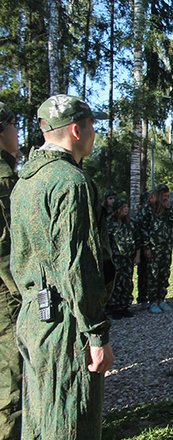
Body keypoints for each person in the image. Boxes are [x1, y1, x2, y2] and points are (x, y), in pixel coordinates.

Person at [10, 94, 114, 439]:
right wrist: (96, 335)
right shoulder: (71, 183)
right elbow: (77, 265)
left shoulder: (25, 182)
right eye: (92, 126)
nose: (94, 134)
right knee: (72, 423)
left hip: (32, 319)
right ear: (76, 130)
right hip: (66, 325)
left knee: (40, 423)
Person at [0, 101, 21, 439]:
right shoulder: (4, 176)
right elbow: (6, 246)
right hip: (5, 292)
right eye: (15, 128)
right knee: (10, 373)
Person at [139, 184, 173, 313]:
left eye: (168, 196)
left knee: (164, 273)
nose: (166, 199)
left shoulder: (166, 210)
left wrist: (169, 208)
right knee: (152, 274)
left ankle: (161, 299)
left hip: (166, 247)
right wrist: (146, 246)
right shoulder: (148, 210)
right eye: (164, 196)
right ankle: (152, 301)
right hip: (153, 247)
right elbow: (142, 229)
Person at [107, 199, 139, 319]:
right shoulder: (109, 223)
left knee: (127, 282)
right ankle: (114, 307)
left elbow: (137, 240)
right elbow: (105, 242)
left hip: (128, 258)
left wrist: (137, 255)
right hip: (115, 258)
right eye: (123, 207)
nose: (126, 209)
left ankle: (125, 306)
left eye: (127, 207)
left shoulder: (130, 223)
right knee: (116, 282)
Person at [135, 190, 155, 305]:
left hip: (150, 246)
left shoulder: (152, 210)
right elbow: (143, 231)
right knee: (143, 273)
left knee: (148, 273)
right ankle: (142, 297)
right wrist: (146, 246)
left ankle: (147, 295)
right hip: (144, 247)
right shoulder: (144, 211)